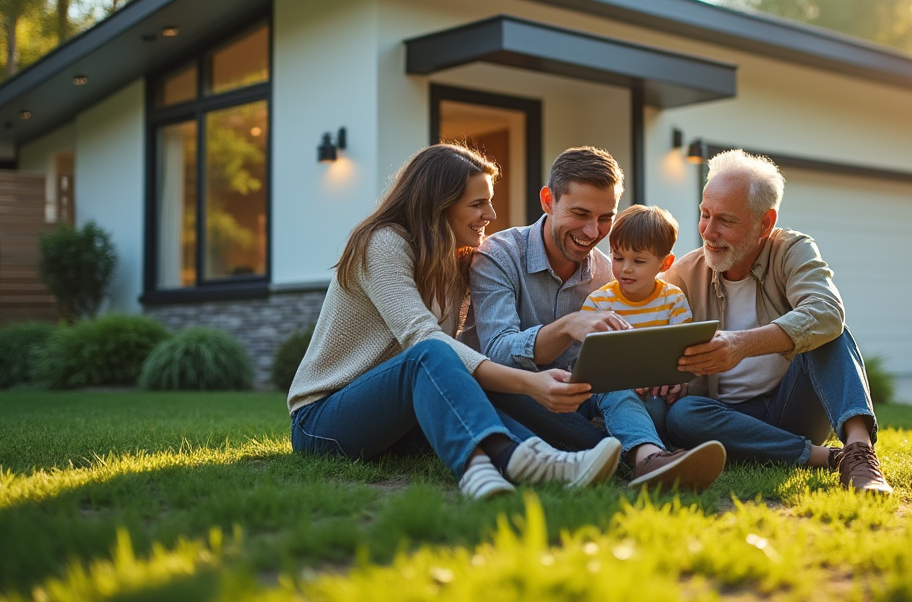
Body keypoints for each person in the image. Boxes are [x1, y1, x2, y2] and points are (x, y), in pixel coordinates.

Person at [288, 143, 622, 500]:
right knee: (433, 354)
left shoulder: (459, 260)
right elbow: (421, 338)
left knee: (479, 380)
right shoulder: (382, 244)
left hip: (404, 413)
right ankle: (517, 458)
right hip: (324, 419)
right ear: (438, 205)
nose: (491, 214)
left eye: (489, 202)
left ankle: (592, 455)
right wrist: (530, 382)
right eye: (478, 204)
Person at [463, 147, 725, 490]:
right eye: (580, 213)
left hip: (578, 401)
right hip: (513, 397)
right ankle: (612, 449)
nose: (592, 231)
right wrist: (567, 326)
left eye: (605, 218)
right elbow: (496, 353)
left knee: (613, 388)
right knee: (591, 432)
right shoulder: (499, 255)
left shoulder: (608, 272)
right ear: (548, 201)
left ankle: (649, 459)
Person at [662, 149, 893, 495]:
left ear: (765, 223)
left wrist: (741, 345)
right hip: (726, 419)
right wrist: (670, 380)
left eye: (725, 220)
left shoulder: (791, 250)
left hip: (792, 408)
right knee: (682, 415)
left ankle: (859, 453)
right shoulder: (682, 275)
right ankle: (824, 457)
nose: (708, 231)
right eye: (704, 214)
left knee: (829, 330)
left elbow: (826, 311)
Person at [579, 204, 693, 426]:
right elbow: (588, 361)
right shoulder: (599, 302)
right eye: (618, 258)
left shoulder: (674, 300)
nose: (626, 269)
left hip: (655, 394)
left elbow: (682, 357)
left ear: (665, 263)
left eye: (638, 261)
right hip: (611, 390)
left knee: (664, 409)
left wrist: (676, 382)